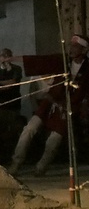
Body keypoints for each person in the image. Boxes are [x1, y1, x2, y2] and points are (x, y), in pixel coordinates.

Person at [9, 35, 89, 176]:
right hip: (50, 101)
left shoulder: (88, 69)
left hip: (68, 108)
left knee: (53, 140)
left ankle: (41, 167)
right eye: (71, 45)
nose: (71, 49)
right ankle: (16, 163)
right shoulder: (63, 61)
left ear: (84, 49)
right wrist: (12, 59)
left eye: (75, 46)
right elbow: (40, 61)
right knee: (29, 130)